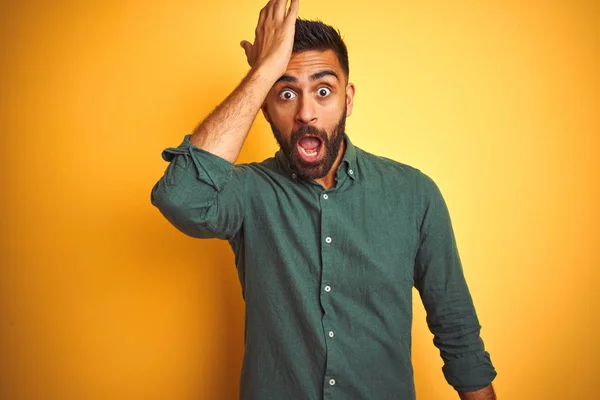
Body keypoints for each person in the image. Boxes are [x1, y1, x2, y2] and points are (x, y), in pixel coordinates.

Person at [150, 0, 497, 398]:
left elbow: (457, 330)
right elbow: (181, 198)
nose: (306, 113)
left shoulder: (414, 194)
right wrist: (262, 73)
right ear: (265, 107)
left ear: (347, 99)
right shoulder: (246, 191)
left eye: (323, 90)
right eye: (285, 94)